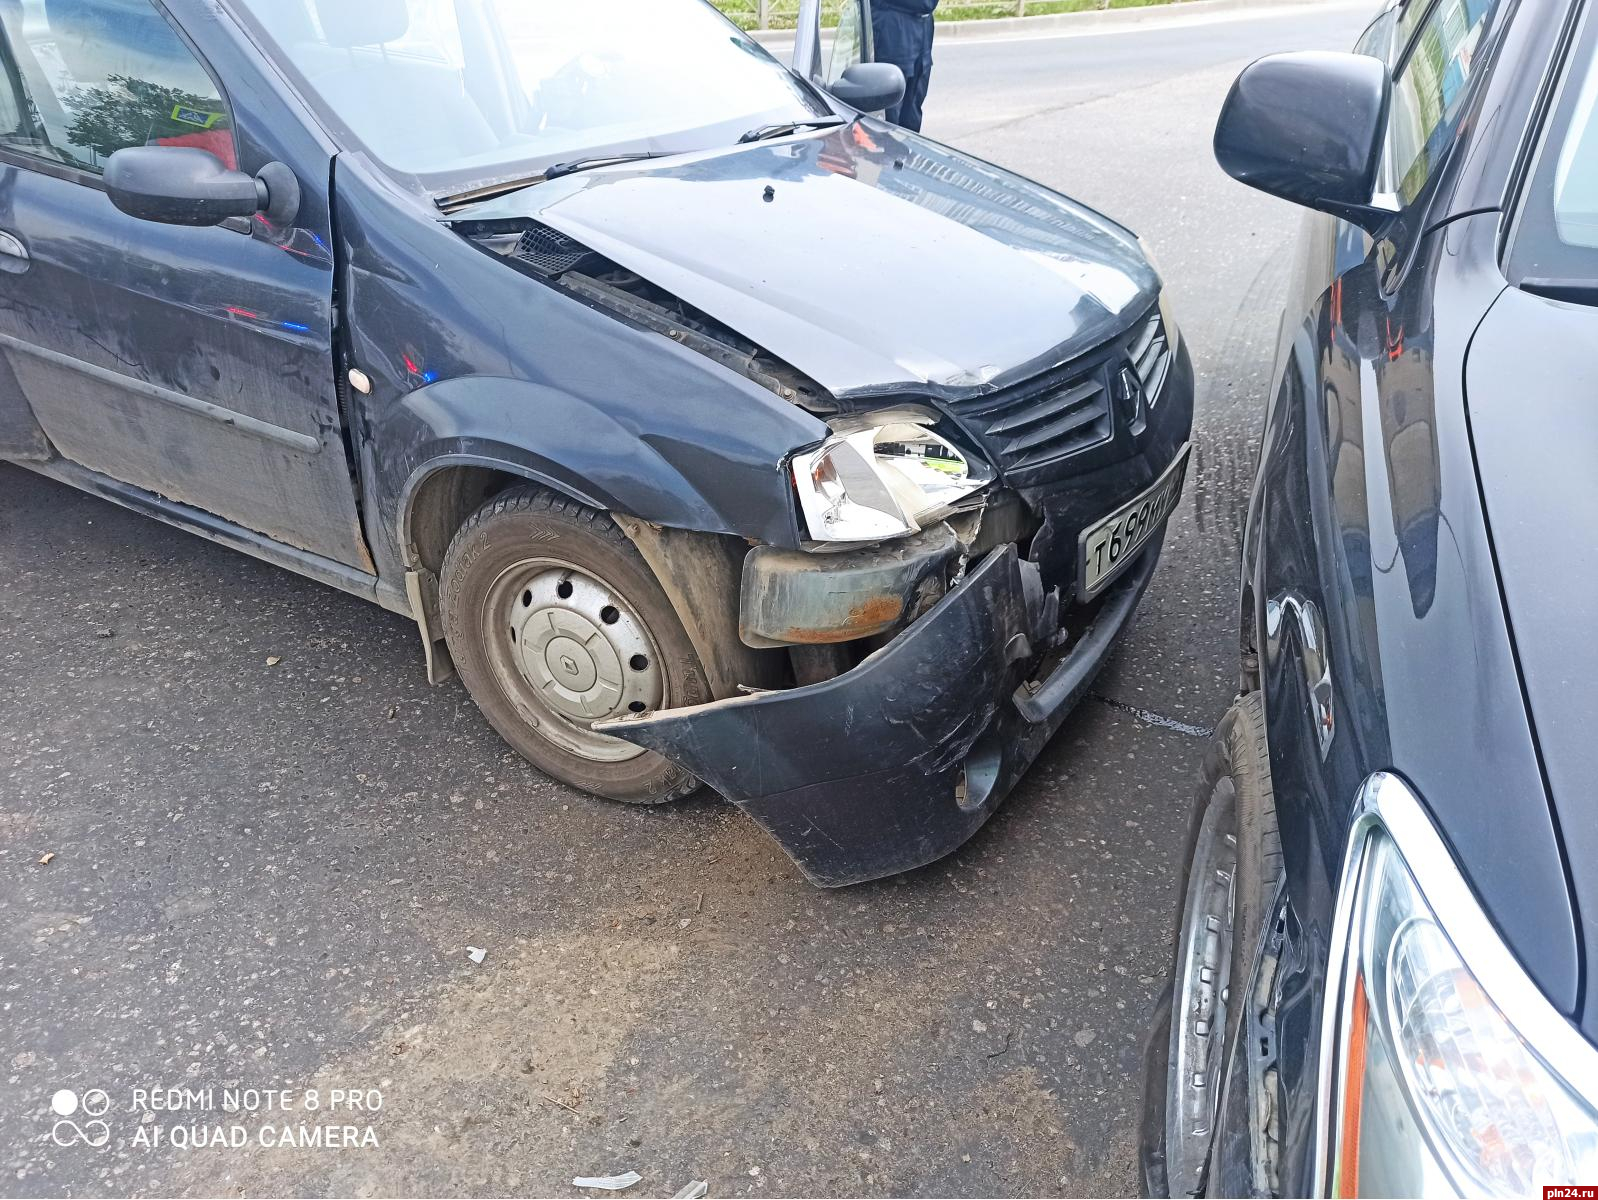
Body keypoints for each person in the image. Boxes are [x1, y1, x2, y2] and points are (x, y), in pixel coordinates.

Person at [870, 0, 937, 133]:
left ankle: (907, 152)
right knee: (890, 116)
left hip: (922, 30)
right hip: (893, 31)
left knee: (912, 115)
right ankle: (890, 152)